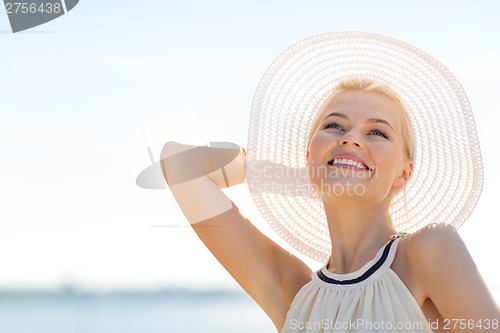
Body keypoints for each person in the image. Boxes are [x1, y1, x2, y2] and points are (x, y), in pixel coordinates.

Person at [160, 32, 500, 332]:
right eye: (335, 126)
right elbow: (178, 166)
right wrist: (297, 173)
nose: (351, 138)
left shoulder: (430, 250)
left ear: (404, 173)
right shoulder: (293, 293)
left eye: (377, 132)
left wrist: (338, 168)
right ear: (308, 156)